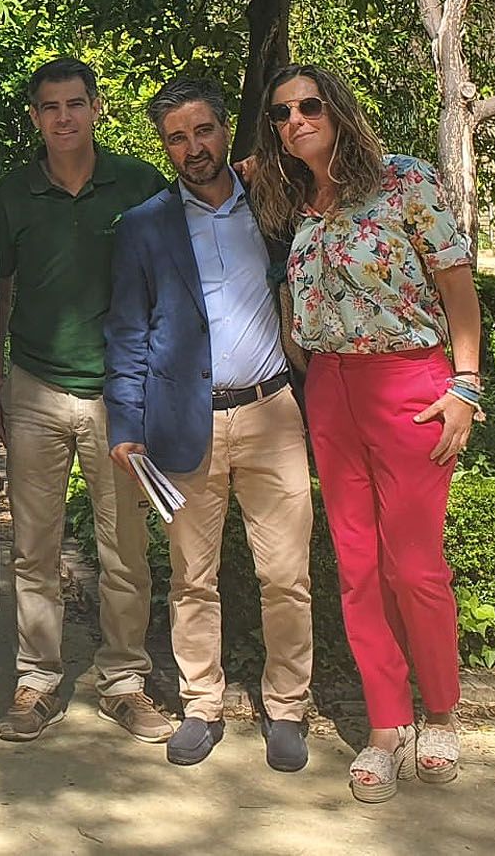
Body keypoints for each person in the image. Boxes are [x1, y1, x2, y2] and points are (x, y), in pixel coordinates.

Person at [249, 65, 483, 803]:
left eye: (309, 105)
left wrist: (464, 388)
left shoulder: (403, 180)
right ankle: (388, 723)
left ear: (339, 109)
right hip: (331, 389)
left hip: (409, 382)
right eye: (283, 113)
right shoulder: (295, 201)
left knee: (413, 564)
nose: (296, 120)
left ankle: (440, 712)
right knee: (356, 564)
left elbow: (457, 286)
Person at [105, 78, 314, 770]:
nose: (193, 147)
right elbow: (128, 331)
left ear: (227, 130)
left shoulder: (275, 198)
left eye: (203, 130)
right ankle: (202, 702)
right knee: (193, 577)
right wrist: (125, 425)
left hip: (272, 411)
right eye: (176, 136)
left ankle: (287, 707)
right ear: (163, 146)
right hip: (182, 421)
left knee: (285, 574)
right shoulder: (144, 225)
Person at [0, 57, 174, 746]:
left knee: (124, 547)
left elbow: (167, 287)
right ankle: (35, 679)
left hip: (119, 394)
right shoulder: (12, 193)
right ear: (35, 117)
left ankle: (124, 681)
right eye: (50, 107)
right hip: (34, 385)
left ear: (97, 107)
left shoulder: (140, 184)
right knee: (32, 546)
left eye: (75, 104)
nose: (63, 117)